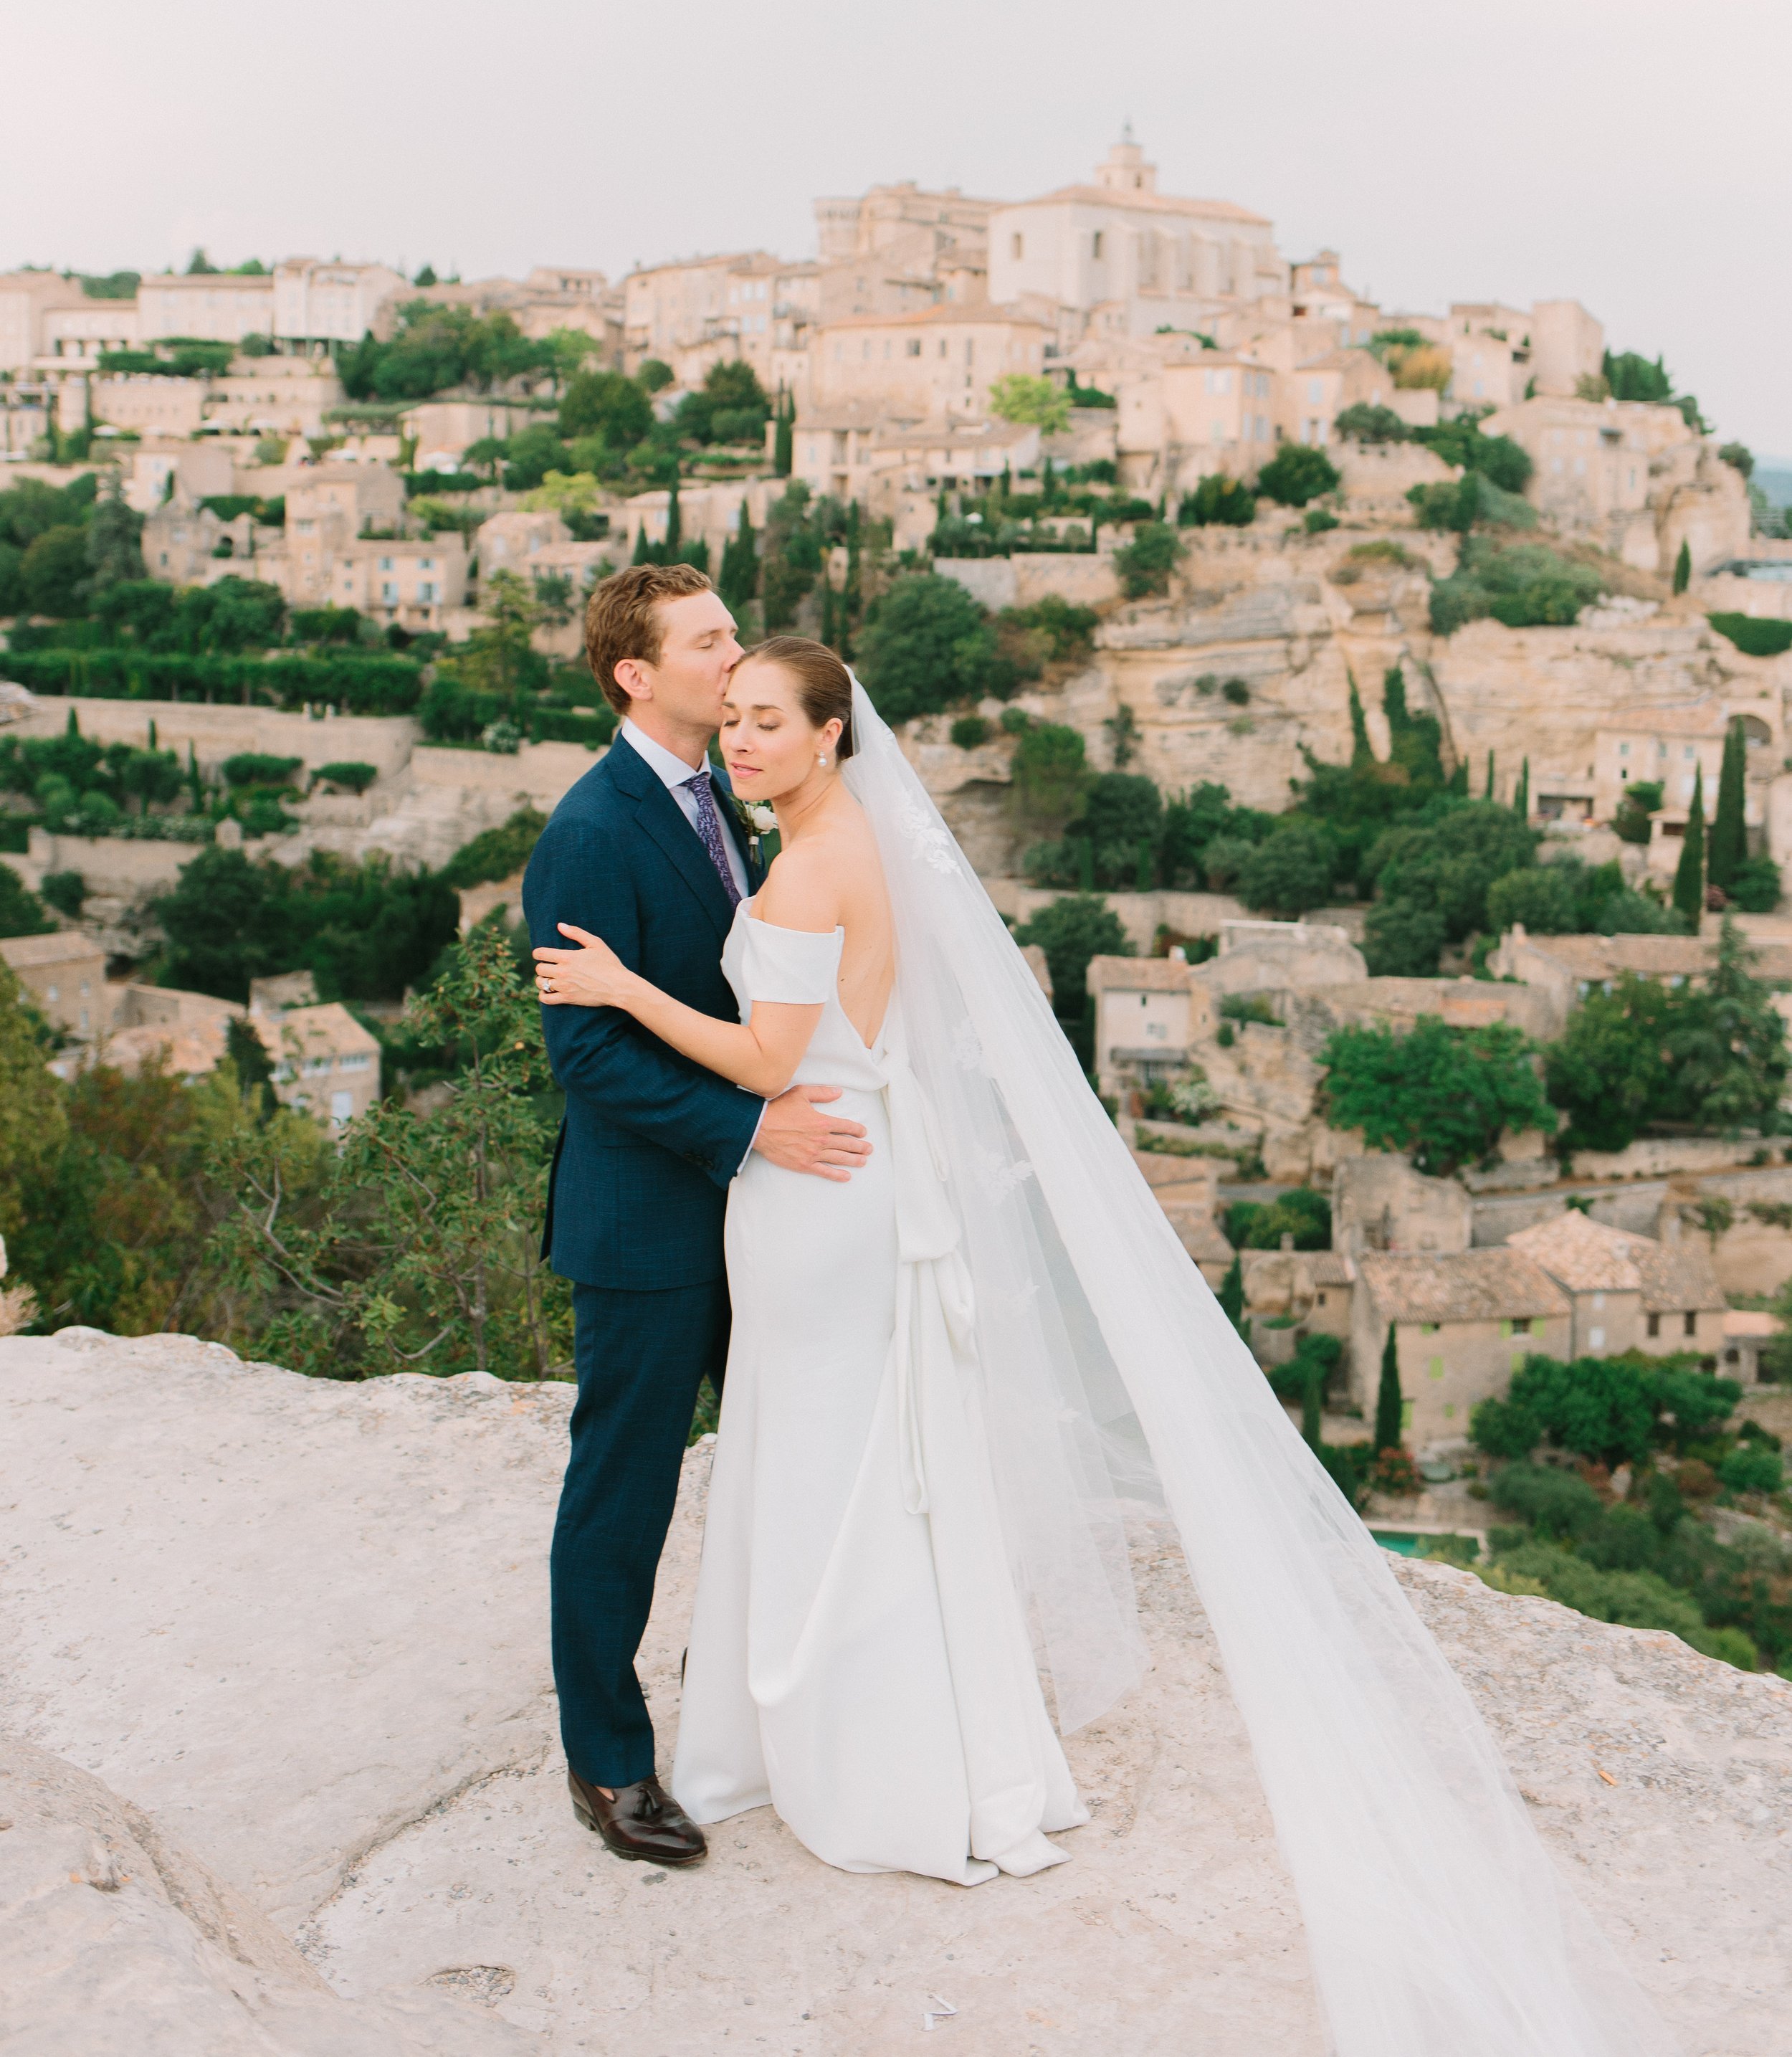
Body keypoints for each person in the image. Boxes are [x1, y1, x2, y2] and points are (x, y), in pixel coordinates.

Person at [536, 631, 1681, 2057]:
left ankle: (829, 1727)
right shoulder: (809, 838)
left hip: (809, 1179)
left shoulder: (814, 857)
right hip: (830, 1175)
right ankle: (812, 1705)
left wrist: (628, 992)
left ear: (832, 736)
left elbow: (773, 1062)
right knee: (838, 1449)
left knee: (826, 1448)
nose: (743, 730)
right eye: (733, 704)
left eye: (769, 714)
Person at [521, 566, 872, 1873]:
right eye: (710, 640)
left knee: (800, 1450)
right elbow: (588, 1058)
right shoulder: (592, 827)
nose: (737, 659)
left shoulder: (731, 796)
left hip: (756, 1215)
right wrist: (750, 1129)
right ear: (636, 674)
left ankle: (805, 1710)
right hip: (648, 1222)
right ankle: (607, 1761)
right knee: (623, 1491)